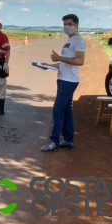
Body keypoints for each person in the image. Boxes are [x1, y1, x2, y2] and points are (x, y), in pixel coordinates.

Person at [39, 14, 86, 152]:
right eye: (64, 24)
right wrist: (49, 65)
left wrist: (59, 57)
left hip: (68, 81)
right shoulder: (69, 41)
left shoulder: (78, 41)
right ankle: (68, 140)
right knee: (66, 110)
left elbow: (80, 61)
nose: (66, 26)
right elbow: (64, 64)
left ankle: (54, 141)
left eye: (69, 24)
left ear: (76, 25)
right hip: (64, 79)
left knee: (58, 109)